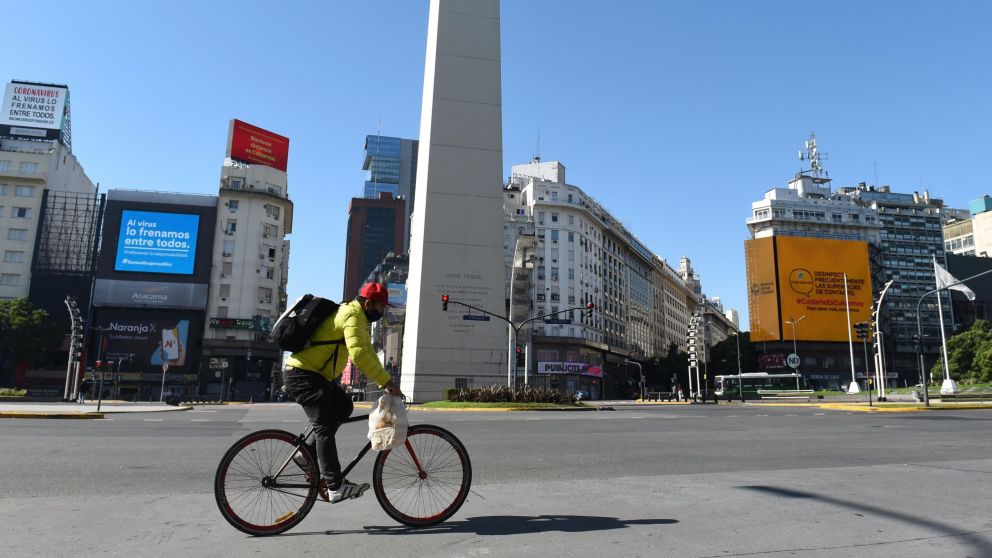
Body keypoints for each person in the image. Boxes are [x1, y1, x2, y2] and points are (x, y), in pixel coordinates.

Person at [283, 283, 405, 504]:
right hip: (302, 375)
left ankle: (305, 455)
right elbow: (358, 355)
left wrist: (385, 379)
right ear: (368, 303)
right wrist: (386, 381)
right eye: (380, 307)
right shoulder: (352, 314)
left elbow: (366, 349)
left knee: (343, 406)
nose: (382, 312)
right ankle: (335, 486)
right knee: (325, 424)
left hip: (315, 376)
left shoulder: (357, 317)